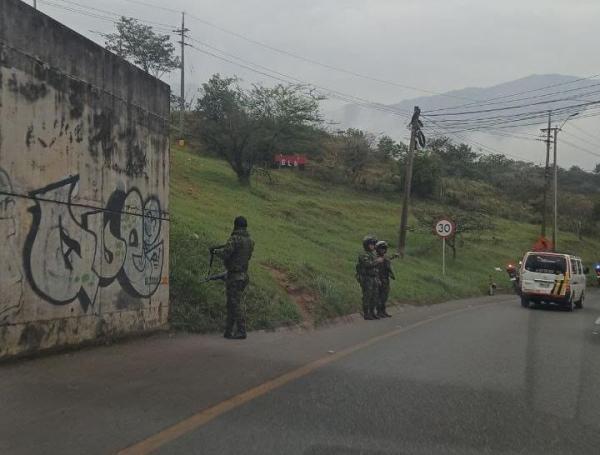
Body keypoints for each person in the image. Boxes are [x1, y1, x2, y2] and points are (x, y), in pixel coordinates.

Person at [211, 216, 255, 339]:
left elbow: (226, 254)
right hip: (243, 275)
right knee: (232, 303)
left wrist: (215, 252)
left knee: (234, 304)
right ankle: (228, 331)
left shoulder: (234, 239)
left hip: (234, 276)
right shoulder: (250, 241)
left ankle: (241, 331)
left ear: (235, 225)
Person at [356, 235, 384, 320]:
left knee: (375, 295)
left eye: (373, 244)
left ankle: (372, 312)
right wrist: (377, 261)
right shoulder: (363, 254)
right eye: (371, 244)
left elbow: (376, 268)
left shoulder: (373, 254)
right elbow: (368, 264)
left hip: (374, 277)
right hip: (367, 278)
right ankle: (366, 313)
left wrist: (378, 278)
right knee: (367, 295)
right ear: (366, 245)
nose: (373, 246)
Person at [375, 241, 395, 318]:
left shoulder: (385, 258)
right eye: (381, 249)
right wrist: (377, 279)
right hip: (379, 279)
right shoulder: (376, 259)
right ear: (377, 249)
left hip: (386, 279)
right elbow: (375, 270)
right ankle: (379, 311)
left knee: (385, 296)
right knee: (379, 297)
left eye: (384, 249)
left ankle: (383, 311)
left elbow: (388, 264)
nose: (383, 250)